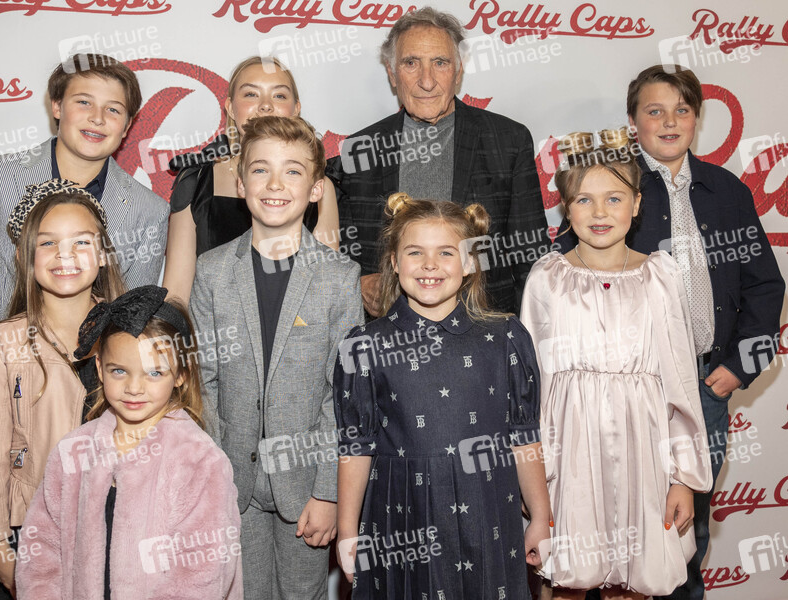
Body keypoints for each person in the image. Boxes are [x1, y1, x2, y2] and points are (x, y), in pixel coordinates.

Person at [553, 66, 785, 600]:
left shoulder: (727, 190)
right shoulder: (612, 185)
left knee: (685, 531)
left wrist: (738, 369)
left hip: (702, 388)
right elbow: (567, 277)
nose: (669, 121)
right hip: (623, 388)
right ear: (632, 121)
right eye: (654, 111)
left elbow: (766, 286)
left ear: (697, 119)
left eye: (682, 110)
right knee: (611, 528)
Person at [0, 53, 170, 471]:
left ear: (128, 124)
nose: (97, 118)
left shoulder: (147, 210)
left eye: (113, 109)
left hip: (93, 408)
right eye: (84, 102)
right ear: (57, 106)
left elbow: (127, 317)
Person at [521, 128, 713, 599]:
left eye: (614, 198)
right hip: (568, 450)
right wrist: (535, 480)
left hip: (645, 449)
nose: (600, 212)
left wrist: (683, 479)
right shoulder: (547, 277)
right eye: (584, 200)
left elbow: (680, 382)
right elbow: (531, 384)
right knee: (567, 580)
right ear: (566, 209)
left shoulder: (661, 275)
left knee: (635, 581)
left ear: (637, 204)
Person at [334, 192, 551, 599]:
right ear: (394, 262)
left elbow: (524, 437)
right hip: (400, 517)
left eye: (446, 253)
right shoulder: (362, 346)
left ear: (469, 263)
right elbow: (355, 446)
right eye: (415, 252)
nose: (430, 264)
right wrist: (347, 531)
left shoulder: (505, 337)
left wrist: (541, 516)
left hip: (486, 511)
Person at [189, 115, 364, 599]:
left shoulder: (339, 277)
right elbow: (202, 383)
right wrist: (215, 480)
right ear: (240, 183)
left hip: (306, 487)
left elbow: (343, 396)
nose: (274, 184)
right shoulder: (212, 271)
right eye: (261, 170)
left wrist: (328, 491)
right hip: (233, 485)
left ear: (316, 189)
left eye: (292, 171)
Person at [16, 286, 242, 599]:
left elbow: (200, 576)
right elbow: (40, 550)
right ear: (99, 368)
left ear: (181, 374)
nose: (134, 388)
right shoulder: (72, 451)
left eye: (154, 373)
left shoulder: (200, 461)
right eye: (120, 371)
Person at [327, 6, 549, 317]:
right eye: (411, 63)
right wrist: (358, 282)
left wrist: (528, 334)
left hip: (483, 324)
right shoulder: (361, 150)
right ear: (391, 73)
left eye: (440, 63)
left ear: (458, 71)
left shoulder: (507, 140)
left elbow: (531, 255)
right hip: (390, 329)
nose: (427, 81)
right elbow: (340, 250)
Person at [0, 183, 125, 599]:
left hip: (117, 532)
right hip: (31, 533)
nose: (64, 255)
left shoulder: (131, 335)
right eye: (48, 242)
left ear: (103, 254)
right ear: (25, 257)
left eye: (81, 241)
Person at [164, 56, 340, 304]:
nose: (266, 106)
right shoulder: (196, 182)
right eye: (251, 94)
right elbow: (176, 296)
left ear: (296, 109)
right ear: (230, 107)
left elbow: (326, 291)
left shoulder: (320, 187)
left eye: (279, 96)